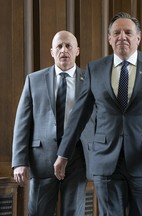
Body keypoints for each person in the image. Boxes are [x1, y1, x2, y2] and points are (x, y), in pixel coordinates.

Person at [53, 12, 142, 216]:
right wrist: (63, 153)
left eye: (128, 32)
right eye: (117, 32)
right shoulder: (95, 69)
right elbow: (78, 116)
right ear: (110, 38)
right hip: (106, 162)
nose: (122, 36)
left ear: (138, 38)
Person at [12, 31, 89, 216]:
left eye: (68, 46)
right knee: (39, 212)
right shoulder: (34, 80)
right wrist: (19, 161)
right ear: (52, 51)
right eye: (59, 46)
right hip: (42, 159)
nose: (64, 50)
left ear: (77, 51)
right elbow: (22, 122)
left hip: (77, 158)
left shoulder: (89, 80)